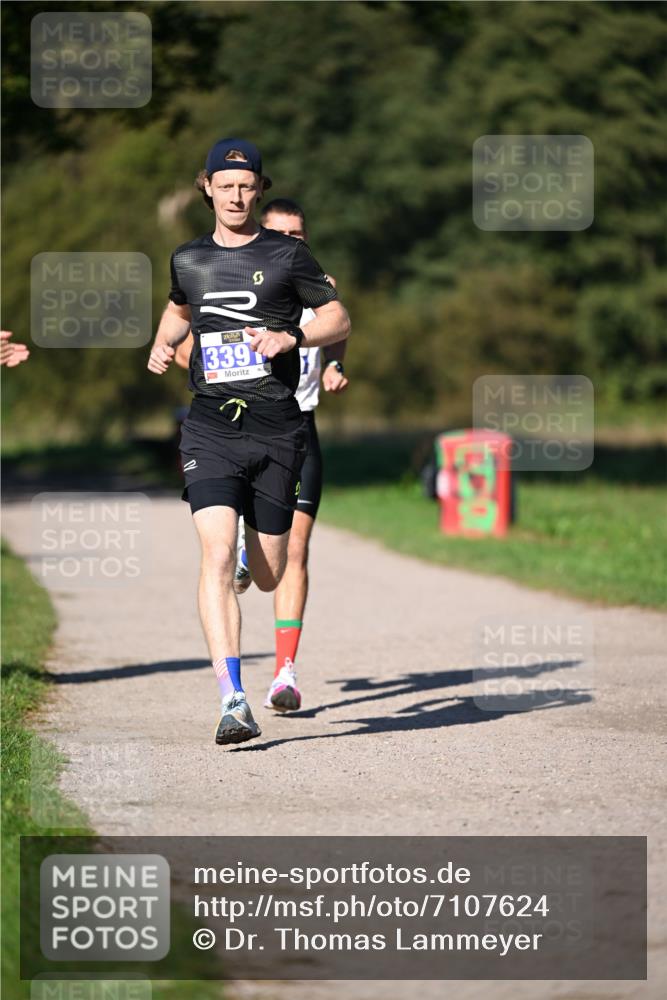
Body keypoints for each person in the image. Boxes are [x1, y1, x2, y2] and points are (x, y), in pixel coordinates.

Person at [147, 138, 350, 746]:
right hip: (209, 426)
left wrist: (294, 340)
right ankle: (232, 698)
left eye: (246, 186)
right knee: (212, 558)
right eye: (224, 185)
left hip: (277, 428)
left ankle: (250, 551)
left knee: (267, 572)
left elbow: (338, 317)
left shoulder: (288, 254)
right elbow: (181, 311)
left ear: (258, 191)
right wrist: (160, 343)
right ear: (205, 186)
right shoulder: (187, 258)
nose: (235, 195)